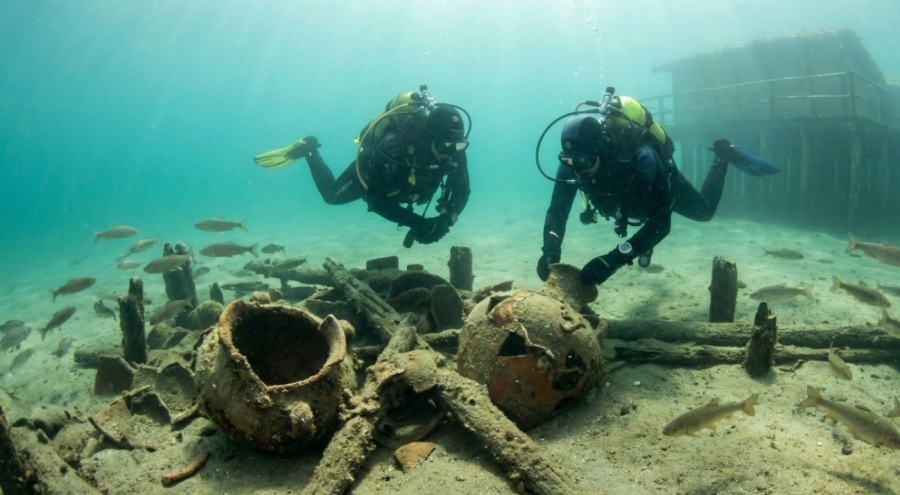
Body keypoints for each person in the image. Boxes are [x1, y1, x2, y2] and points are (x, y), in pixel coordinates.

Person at [536, 90, 779, 286]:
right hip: (626, 204)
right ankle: (641, 246)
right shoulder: (574, 163)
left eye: (584, 162)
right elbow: (557, 211)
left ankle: (722, 156)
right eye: (569, 161)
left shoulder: (642, 159)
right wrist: (550, 249)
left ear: (600, 149)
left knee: (705, 213)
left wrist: (614, 259)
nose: (577, 170)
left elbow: (661, 224)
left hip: (655, 194)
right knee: (642, 231)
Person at [253, 86, 471, 247]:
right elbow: (377, 201)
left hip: (406, 189)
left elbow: (462, 190)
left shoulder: (454, 150)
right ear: (429, 137)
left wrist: (446, 221)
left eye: (459, 145)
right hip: (371, 178)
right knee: (331, 196)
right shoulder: (394, 149)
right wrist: (419, 223)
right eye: (445, 145)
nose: (451, 151)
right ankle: (309, 150)